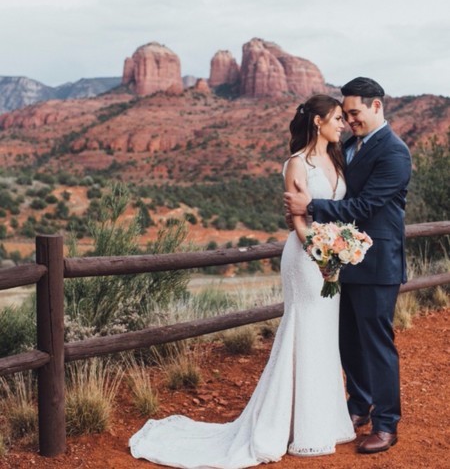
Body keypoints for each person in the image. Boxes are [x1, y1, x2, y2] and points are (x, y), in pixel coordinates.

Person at [129, 94, 356, 468]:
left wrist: (338, 253)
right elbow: (298, 221)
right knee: (304, 331)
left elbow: (338, 211)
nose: (342, 124)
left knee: (324, 336)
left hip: (332, 258)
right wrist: (317, 253)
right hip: (305, 258)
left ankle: (321, 423)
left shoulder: (336, 157)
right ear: (318, 121)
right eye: (336, 118)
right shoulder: (296, 165)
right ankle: (291, 425)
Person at [284, 77, 412, 455]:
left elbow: (362, 207)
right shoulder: (350, 146)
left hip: (378, 265)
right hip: (341, 261)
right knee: (348, 342)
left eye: (355, 113)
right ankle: (359, 407)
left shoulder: (394, 153)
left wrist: (309, 207)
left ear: (377, 106)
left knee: (376, 345)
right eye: (345, 114)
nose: (350, 121)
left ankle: (387, 424)